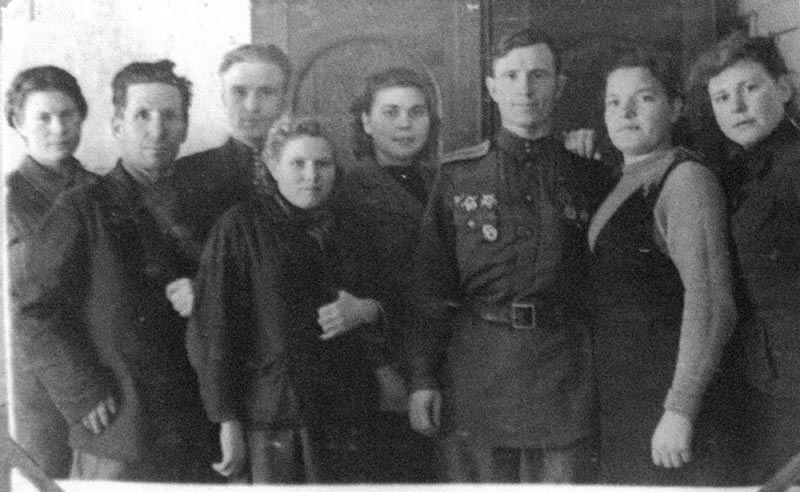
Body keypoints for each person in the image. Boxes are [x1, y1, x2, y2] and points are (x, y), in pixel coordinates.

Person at [408, 28, 608, 483]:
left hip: (563, 376)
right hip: (479, 372)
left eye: (538, 75)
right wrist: (422, 379)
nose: (525, 88)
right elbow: (430, 288)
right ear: (492, 87)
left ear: (559, 85)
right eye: (511, 76)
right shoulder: (459, 176)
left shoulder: (589, 175)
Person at [13, 60, 215, 482]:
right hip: (120, 429)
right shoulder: (81, 206)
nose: (157, 130)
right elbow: (33, 309)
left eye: (169, 116)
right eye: (142, 115)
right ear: (118, 124)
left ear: (184, 127)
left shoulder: (205, 207)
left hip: (196, 428)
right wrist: (82, 391)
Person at [187, 116, 389, 484]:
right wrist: (226, 421)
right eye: (298, 163)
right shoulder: (239, 228)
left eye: (323, 164)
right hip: (273, 417)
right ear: (272, 166)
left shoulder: (352, 226)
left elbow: (390, 297)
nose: (312, 176)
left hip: (346, 414)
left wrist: (366, 310)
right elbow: (212, 330)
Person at [589, 47, 737, 484]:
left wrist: (681, 409)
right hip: (626, 397)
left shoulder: (685, 180)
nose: (626, 112)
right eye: (614, 102)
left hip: (669, 406)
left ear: (675, 107)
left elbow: (712, 304)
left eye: (644, 98)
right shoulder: (621, 178)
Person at [685, 32, 800, 482]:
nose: (736, 107)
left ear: (784, 88)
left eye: (750, 88)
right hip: (757, 377)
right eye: (721, 97)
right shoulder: (736, 168)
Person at [337, 67, 440, 482]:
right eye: (391, 112)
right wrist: (383, 370)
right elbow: (348, 290)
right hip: (387, 368)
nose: (405, 124)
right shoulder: (348, 191)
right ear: (366, 121)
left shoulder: (442, 180)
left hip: (441, 356)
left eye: (417, 112)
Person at [5, 65, 96, 479]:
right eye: (43, 117)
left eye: (67, 115)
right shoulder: (10, 197)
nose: (58, 128)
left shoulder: (102, 190)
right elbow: (23, 306)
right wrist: (78, 388)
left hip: (107, 368)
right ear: (18, 123)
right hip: (44, 378)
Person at [165, 43, 291, 319]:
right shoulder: (188, 174)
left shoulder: (312, 170)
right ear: (223, 97)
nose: (252, 106)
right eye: (239, 92)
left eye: (266, 92)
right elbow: (174, 261)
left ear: (284, 100)